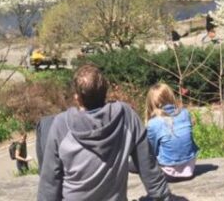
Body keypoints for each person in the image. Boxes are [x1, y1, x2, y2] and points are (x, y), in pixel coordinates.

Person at [37, 64, 171, 201]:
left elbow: (49, 183)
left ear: (77, 98)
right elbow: (148, 166)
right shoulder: (126, 116)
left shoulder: (61, 124)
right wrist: (164, 197)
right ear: (105, 92)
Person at [145, 83, 199, 180]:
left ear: (151, 103)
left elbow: (151, 150)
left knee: (135, 161)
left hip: (168, 172)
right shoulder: (185, 113)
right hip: (190, 167)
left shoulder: (153, 123)